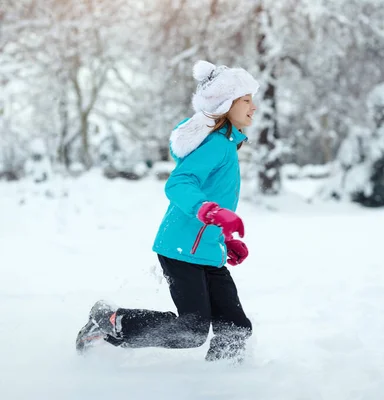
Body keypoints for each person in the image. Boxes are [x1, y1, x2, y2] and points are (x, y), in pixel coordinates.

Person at [75, 60, 259, 362]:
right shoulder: (217, 145)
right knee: (192, 329)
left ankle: (227, 382)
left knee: (234, 326)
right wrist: (211, 214)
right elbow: (179, 183)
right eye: (246, 100)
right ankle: (110, 321)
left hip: (206, 250)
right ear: (226, 104)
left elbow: (212, 199)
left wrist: (223, 240)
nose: (254, 107)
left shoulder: (227, 144)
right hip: (181, 250)